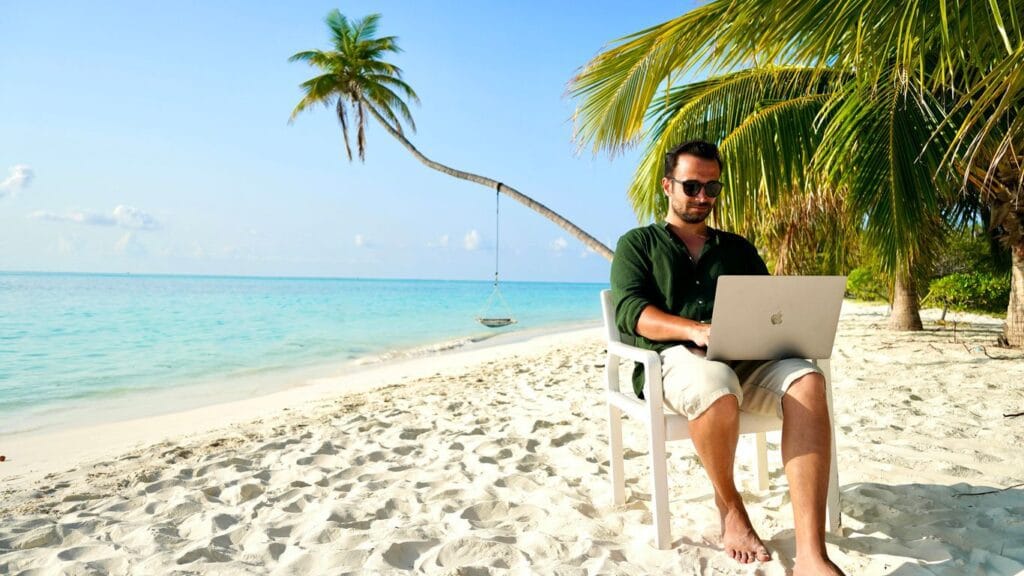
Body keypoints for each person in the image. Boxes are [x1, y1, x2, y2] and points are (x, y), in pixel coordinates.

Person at [610, 140, 845, 576]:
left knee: (808, 381)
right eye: (692, 186)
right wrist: (694, 330)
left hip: (746, 357)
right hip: (674, 359)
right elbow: (633, 313)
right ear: (667, 185)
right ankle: (731, 508)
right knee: (715, 385)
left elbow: (769, 307)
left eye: (712, 188)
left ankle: (812, 554)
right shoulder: (638, 244)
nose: (703, 197)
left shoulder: (737, 248)